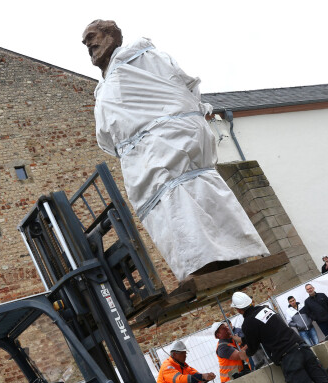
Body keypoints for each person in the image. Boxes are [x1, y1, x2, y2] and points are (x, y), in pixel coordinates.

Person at [82, 20, 268, 281]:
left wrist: (175, 121)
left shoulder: (141, 59)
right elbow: (107, 132)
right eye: (84, 42)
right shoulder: (105, 88)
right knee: (172, 203)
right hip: (149, 150)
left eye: (92, 36)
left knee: (183, 194)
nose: (88, 44)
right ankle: (212, 258)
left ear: (112, 36)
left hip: (168, 141)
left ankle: (216, 260)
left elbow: (181, 85)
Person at [301, 284, 328, 351]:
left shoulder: (322, 295)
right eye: (308, 289)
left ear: (313, 288)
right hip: (321, 323)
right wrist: (316, 318)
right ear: (306, 291)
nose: (310, 290)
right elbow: (308, 313)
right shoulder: (307, 301)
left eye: (310, 288)